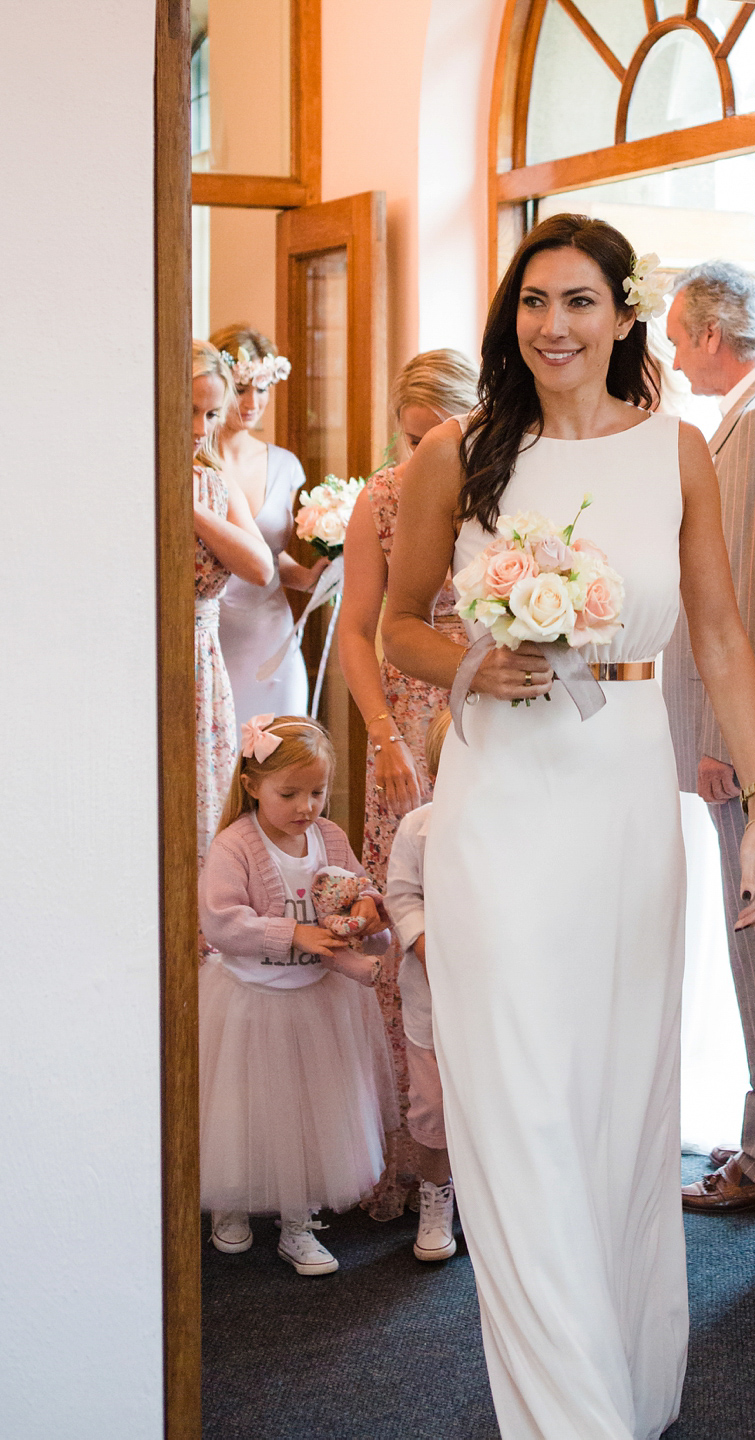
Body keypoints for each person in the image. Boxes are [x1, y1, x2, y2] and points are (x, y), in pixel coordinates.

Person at [382, 214, 755, 1440]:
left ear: (623, 313)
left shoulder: (676, 451)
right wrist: (470, 670)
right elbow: (397, 624)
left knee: (618, 1092)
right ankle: (569, 1410)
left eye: (578, 302)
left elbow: (717, 633)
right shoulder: (458, 452)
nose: (552, 326)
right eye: (531, 303)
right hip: (500, 795)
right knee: (519, 1090)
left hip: (620, 790)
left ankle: (623, 1365)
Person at [337, 348, 478, 1221]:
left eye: (438, 439)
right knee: (407, 925)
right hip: (406, 723)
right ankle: (418, 1158)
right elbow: (358, 629)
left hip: (495, 711)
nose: (422, 454)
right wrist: (385, 736)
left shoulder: (514, 488)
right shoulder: (384, 497)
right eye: (410, 437)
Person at [197, 715, 398, 1275]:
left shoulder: (328, 837)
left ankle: (298, 1221)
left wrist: (365, 907)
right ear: (252, 785)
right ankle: (231, 1202)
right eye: (289, 793)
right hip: (251, 1000)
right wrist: (294, 933)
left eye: (317, 792)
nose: (306, 805)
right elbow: (221, 921)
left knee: (314, 1109)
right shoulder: (236, 844)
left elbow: (358, 885)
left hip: (318, 1000)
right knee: (246, 1107)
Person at [662, 262, 755, 1214]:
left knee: (753, 948)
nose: (669, 351)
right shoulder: (734, 419)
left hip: (738, 748)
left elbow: (739, 603)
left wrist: (732, 739)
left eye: (674, 332)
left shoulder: (752, 423)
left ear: (707, 334)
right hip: (722, 742)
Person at [210, 325, 328, 740]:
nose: (251, 403)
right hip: (215, 633)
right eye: (241, 389)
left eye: (262, 391)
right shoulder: (195, 463)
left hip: (271, 634)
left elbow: (272, 556)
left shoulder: (285, 466)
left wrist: (312, 577)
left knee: (284, 751)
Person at [192, 340, 274, 869]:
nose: (201, 428)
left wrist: (193, 511)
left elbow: (261, 567)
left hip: (200, 662)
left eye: (211, 413)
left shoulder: (215, 484)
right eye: (189, 411)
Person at [385, 708, 456, 1263]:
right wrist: (429, 947)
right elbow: (402, 896)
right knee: (432, 1106)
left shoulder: (520, 823)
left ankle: (495, 1204)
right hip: (434, 995)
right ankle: (436, 1197)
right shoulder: (419, 827)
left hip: (499, 1000)